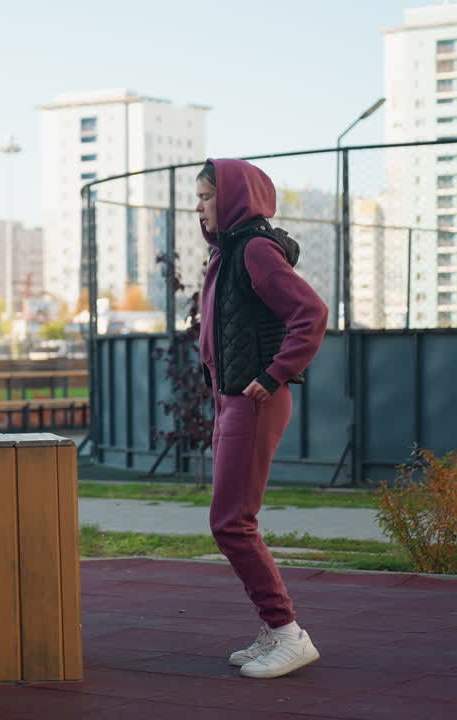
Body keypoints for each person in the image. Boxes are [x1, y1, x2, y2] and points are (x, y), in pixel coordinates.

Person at [195, 158, 329, 679]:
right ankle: (276, 630)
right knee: (231, 521)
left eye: (206, 197)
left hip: (254, 401)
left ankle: (289, 633)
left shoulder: (253, 249)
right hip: (234, 399)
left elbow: (310, 314)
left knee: (231, 522)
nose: (199, 207)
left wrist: (274, 374)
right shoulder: (228, 253)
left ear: (230, 199)